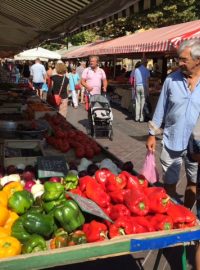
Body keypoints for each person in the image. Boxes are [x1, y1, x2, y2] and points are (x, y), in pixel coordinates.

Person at [146, 39, 200, 209]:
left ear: (198, 60)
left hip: (197, 146)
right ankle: (169, 212)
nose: (180, 63)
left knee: (194, 182)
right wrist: (152, 134)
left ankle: (186, 213)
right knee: (169, 182)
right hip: (172, 140)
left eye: (184, 60)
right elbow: (161, 108)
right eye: (179, 59)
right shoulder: (171, 80)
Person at [81, 55, 107, 135]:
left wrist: (105, 86)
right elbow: (82, 81)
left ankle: (96, 127)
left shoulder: (101, 71)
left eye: (93, 61)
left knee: (97, 111)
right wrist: (87, 86)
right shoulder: (86, 70)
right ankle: (91, 128)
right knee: (90, 111)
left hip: (98, 95)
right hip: (89, 94)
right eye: (90, 61)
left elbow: (105, 80)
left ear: (97, 62)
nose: (91, 62)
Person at [133, 58, 150, 122]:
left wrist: (134, 88)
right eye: (146, 63)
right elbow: (147, 81)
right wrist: (148, 91)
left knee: (137, 101)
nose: (146, 64)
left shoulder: (136, 70)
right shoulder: (146, 70)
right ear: (145, 63)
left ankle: (137, 117)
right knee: (143, 102)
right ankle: (141, 117)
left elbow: (134, 80)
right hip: (144, 86)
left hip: (137, 86)